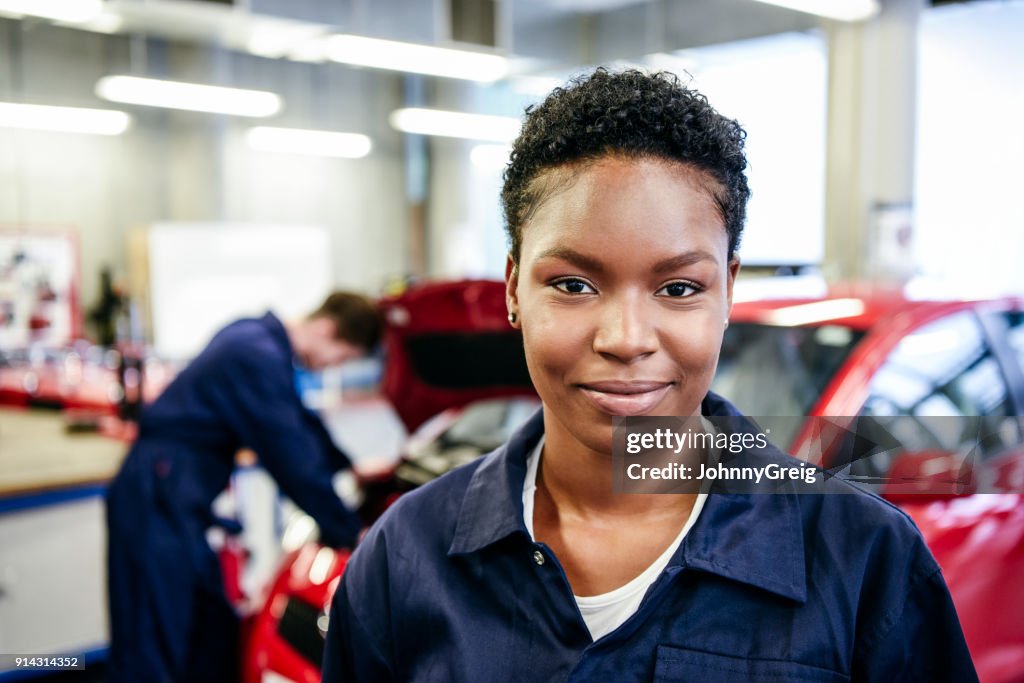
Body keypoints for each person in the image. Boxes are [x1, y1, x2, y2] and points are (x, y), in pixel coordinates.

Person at [321, 70, 977, 681]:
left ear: (728, 290)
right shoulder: (403, 558)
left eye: (679, 287)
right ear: (514, 289)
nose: (626, 339)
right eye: (574, 284)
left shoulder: (865, 562)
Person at [106, 291, 381, 683]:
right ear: (328, 329)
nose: (329, 367)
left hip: (175, 497)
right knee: (150, 644)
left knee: (208, 632)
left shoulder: (256, 340)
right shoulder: (256, 354)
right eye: (341, 357)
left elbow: (298, 422)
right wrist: (352, 535)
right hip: (154, 497)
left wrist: (351, 468)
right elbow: (291, 457)